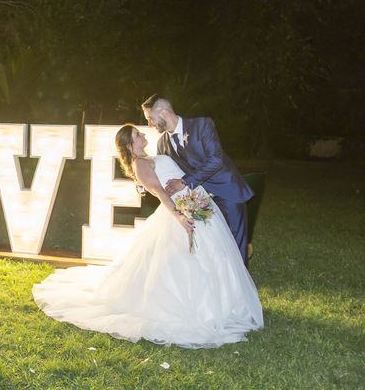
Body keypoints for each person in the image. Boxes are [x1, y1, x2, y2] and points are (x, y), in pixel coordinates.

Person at [32, 124, 263, 348]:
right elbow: (160, 193)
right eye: (137, 135)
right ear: (130, 146)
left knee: (215, 253)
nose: (143, 135)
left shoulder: (151, 156)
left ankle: (227, 302)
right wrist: (180, 217)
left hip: (194, 201)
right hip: (179, 209)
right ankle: (201, 309)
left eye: (141, 132)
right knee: (189, 261)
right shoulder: (140, 164)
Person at [141, 95, 254, 266]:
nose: (150, 124)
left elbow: (216, 160)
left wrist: (185, 182)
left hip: (226, 191)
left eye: (150, 118)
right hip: (197, 201)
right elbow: (163, 173)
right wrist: (144, 185)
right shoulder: (162, 144)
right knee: (214, 245)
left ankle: (242, 287)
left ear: (163, 112)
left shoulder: (202, 125)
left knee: (235, 244)